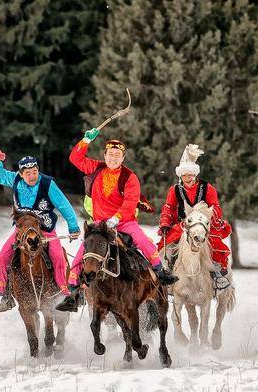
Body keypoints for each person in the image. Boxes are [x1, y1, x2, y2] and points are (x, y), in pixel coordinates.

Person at [55, 128, 178, 312]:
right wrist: (85, 141)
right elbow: (75, 159)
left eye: (117, 155)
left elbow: (130, 201)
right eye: (110, 154)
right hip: (99, 224)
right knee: (82, 255)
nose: (113, 158)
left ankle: (160, 274)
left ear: (123, 158)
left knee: (144, 241)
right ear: (104, 155)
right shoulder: (96, 168)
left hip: (124, 222)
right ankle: (73, 294)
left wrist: (117, 218)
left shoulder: (129, 177)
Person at [0, 150, 80, 312]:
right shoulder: (15, 179)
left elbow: (63, 205)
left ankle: (64, 290)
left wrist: (73, 226)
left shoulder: (47, 184)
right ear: (21, 174)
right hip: (22, 232)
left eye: (35, 172)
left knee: (59, 257)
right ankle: (6, 295)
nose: (32, 176)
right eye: (28, 173)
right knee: (2, 258)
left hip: (45, 230)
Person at [158, 144, 232, 289]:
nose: (188, 178)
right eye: (184, 175)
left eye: (190, 174)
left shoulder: (207, 188)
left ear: (195, 174)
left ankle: (217, 274)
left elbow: (215, 206)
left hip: (203, 225)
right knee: (167, 246)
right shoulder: (175, 190)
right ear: (181, 175)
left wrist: (209, 216)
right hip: (183, 225)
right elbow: (169, 207)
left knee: (214, 246)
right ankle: (167, 272)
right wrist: (165, 222)